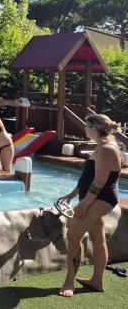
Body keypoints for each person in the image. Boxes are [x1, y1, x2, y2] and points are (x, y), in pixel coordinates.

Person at [57, 114, 122, 297]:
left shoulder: (107, 149)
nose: (84, 128)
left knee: (73, 235)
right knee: (97, 236)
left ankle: (69, 282)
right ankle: (97, 281)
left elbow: (100, 181)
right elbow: (89, 177)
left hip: (99, 198)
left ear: (93, 128)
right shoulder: (102, 147)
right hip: (95, 197)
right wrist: (73, 194)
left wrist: (84, 203)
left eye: (86, 125)